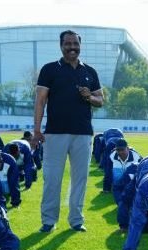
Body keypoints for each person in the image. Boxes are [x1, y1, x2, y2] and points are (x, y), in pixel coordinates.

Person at [33, 29, 104, 233]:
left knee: (80, 179)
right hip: (55, 133)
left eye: (75, 44)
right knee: (52, 179)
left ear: (80, 46)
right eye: (68, 44)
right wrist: (37, 130)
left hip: (83, 133)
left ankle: (76, 220)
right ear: (61, 46)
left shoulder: (90, 71)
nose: (72, 47)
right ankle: (48, 221)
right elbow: (40, 101)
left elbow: (100, 100)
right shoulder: (49, 69)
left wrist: (89, 97)